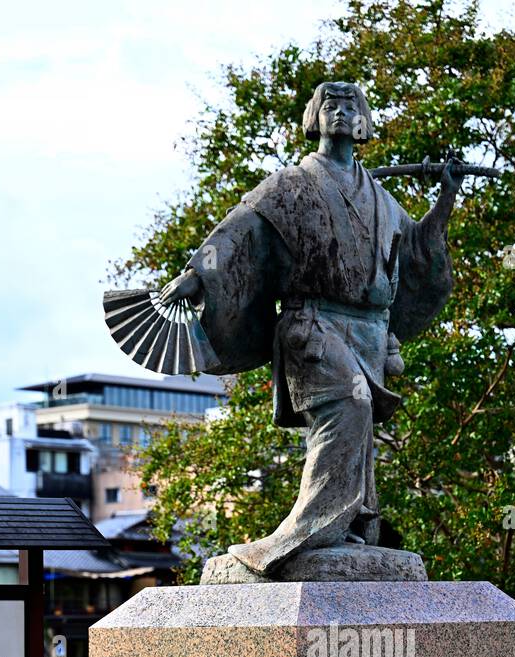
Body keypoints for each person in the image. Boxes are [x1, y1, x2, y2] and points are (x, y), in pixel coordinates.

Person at [158, 80, 460, 576]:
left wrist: (444, 199)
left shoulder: (381, 198)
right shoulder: (290, 186)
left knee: (359, 423)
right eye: (331, 105)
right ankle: (304, 531)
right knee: (351, 401)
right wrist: (195, 277)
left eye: (350, 106)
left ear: (362, 121)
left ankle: (354, 523)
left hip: (367, 329)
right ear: (314, 116)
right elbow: (238, 231)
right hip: (311, 323)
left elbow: (418, 251)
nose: (340, 113)